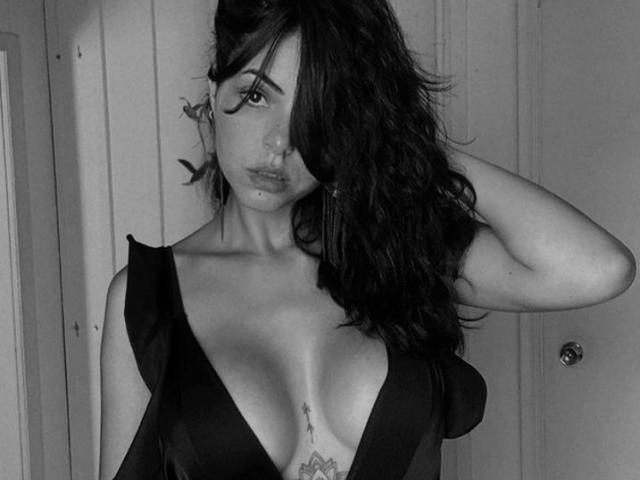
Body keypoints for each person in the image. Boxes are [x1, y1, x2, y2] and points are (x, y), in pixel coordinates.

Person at [99, 0, 636, 479]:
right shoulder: (148, 300)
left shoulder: (394, 250)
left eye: (319, 111)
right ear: (213, 95)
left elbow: (600, 268)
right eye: (257, 94)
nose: (281, 142)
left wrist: (404, 146)